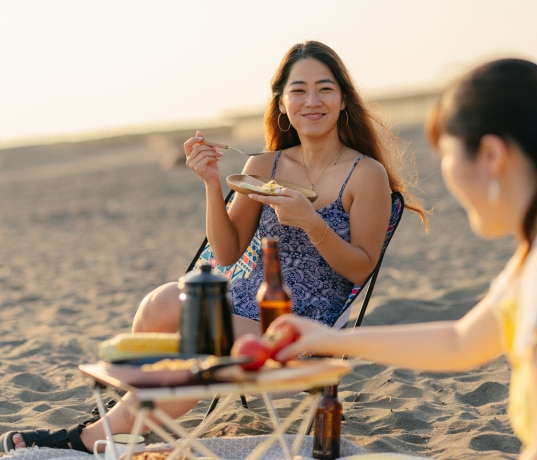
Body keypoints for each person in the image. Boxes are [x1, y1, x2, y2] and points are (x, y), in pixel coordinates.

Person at [0, 40, 425, 453]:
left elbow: (359, 269)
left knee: (205, 334)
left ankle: (95, 436)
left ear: (344, 100)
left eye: (324, 88)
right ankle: (129, 418)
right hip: (242, 295)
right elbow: (227, 254)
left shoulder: (364, 173)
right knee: (161, 302)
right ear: (281, 103)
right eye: (298, 90)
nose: (311, 100)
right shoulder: (263, 166)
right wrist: (210, 183)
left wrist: (312, 223)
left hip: (301, 319)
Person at [271, 58, 537, 460]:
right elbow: (459, 342)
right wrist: (328, 338)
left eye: (445, 154)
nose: (445, 173)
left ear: (493, 154)